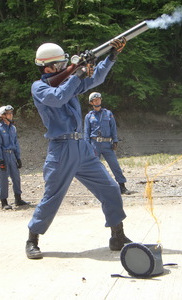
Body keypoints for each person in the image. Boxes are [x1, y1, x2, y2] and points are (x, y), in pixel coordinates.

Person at [26, 37, 132, 259]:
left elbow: (97, 79)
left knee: (110, 188)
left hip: (82, 146)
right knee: (52, 197)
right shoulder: (40, 87)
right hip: (61, 148)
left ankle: (117, 236)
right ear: (50, 66)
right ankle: (32, 239)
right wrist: (77, 73)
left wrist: (111, 56)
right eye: (61, 65)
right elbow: (58, 98)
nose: (65, 67)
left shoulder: (69, 81)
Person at [84, 92, 130, 194]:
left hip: (107, 144)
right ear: (91, 103)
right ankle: (96, 188)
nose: (97, 101)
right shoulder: (89, 116)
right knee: (95, 166)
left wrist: (115, 141)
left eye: (99, 99)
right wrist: (87, 147)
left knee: (114, 165)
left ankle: (122, 186)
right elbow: (86, 132)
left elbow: (113, 128)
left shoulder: (108, 113)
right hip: (94, 144)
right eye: (95, 100)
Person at [0, 105, 28, 209]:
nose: (11, 115)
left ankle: (18, 199)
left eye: (11, 113)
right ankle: (4, 202)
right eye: (8, 113)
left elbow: (16, 143)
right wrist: (1, 160)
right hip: (3, 155)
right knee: (3, 180)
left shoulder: (13, 128)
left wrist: (18, 157)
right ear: (2, 116)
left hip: (12, 155)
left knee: (16, 177)